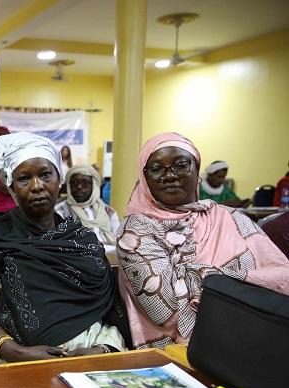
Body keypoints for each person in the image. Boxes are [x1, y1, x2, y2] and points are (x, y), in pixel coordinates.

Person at [0, 132, 128, 363]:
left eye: (45, 174)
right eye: (24, 178)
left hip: (92, 359)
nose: (37, 186)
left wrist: (103, 349)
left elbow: (107, 308)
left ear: (59, 180)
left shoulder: (82, 240)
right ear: (11, 187)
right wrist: (13, 351)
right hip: (19, 363)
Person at [117, 132, 289, 349]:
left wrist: (201, 278)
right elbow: (167, 313)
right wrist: (244, 281)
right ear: (144, 177)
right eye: (156, 168)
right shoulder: (135, 231)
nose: (169, 175)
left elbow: (282, 276)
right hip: (176, 352)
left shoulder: (231, 218)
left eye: (181, 165)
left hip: (255, 339)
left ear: (197, 169)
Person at [55, 165, 120, 245]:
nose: (79, 187)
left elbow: (119, 239)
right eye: (74, 183)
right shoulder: (59, 212)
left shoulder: (108, 211)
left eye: (85, 183)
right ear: (69, 186)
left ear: (94, 186)